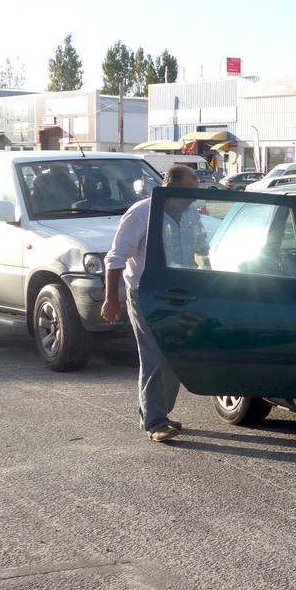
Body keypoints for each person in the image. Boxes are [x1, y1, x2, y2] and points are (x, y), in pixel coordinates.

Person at [100, 164, 205, 443]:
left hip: (181, 293)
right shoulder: (141, 213)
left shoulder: (191, 213)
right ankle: (155, 422)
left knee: (174, 355)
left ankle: (156, 412)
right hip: (146, 294)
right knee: (154, 356)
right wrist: (111, 300)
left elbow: (201, 248)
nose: (192, 198)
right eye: (188, 191)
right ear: (169, 187)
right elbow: (115, 258)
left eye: (195, 191)